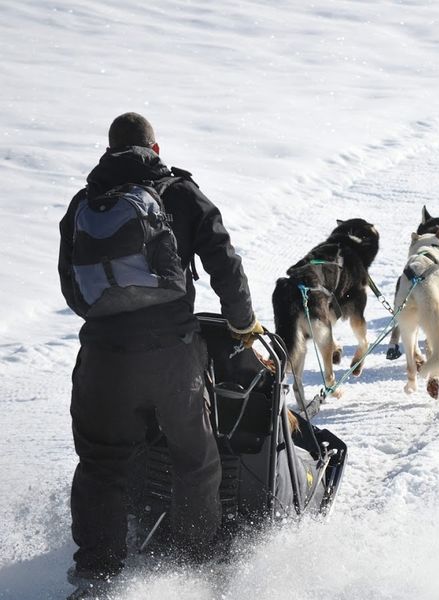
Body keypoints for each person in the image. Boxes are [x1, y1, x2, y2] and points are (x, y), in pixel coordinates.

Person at [58, 112, 264, 584]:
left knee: (101, 461)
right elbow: (224, 262)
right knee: (195, 458)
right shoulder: (180, 193)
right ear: (155, 148)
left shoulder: (84, 203)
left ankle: (97, 575)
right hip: (172, 354)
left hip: (103, 357)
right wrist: (242, 322)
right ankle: (190, 572)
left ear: (109, 150)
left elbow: (72, 289)